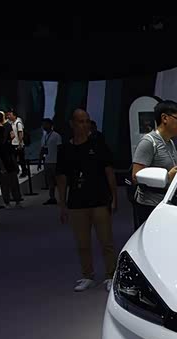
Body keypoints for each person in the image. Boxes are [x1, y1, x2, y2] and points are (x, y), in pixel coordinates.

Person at [56, 109, 118, 292]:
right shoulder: (65, 150)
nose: (84, 125)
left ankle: (111, 274)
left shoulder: (98, 145)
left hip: (99, 200)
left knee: (106, 241)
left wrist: (114, 197)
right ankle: (87, 275)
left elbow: (109, 172)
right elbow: (61, 178)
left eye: (87, 121)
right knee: (82, 243)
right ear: (72, 124)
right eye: (81, 121)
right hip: (77, 202)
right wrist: (62, 205)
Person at [131, 100, 177, 227]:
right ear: (164, 118)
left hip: (165, 203)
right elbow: (135, 176)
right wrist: (167, 177)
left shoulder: (170, 142)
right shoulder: (148, 142)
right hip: (149, 206)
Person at [0, 111, 23, 207]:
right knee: (13, 180)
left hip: (1, 157)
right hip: (9, 155)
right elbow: (12, 135)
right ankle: (17, 200)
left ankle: (7, 201)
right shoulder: (8, 126)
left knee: (4, 182)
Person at [40, 118, 62, 205]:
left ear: (50, 125)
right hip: (47, 162)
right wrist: (40, 161)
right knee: (50, 182)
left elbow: (60, 149)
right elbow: (42, 149)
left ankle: (62, 197)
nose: (44, 126)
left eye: (45, 124)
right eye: (43, 124)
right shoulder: (44, 136)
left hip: (55, 162)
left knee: (58, 181)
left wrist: (60, 161)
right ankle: (52, 198)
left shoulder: (56, 136)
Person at [6, 108, 28, 177]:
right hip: (13, 144)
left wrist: (20, 143)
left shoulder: (18, 122)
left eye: (10, 115)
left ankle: (24, 171)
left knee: (21, 159)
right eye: (7, 115)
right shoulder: (11, 123)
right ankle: (16, 171)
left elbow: (20, 133)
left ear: (14, 115)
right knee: (14, 159)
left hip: (18, 144)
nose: (8, 116)